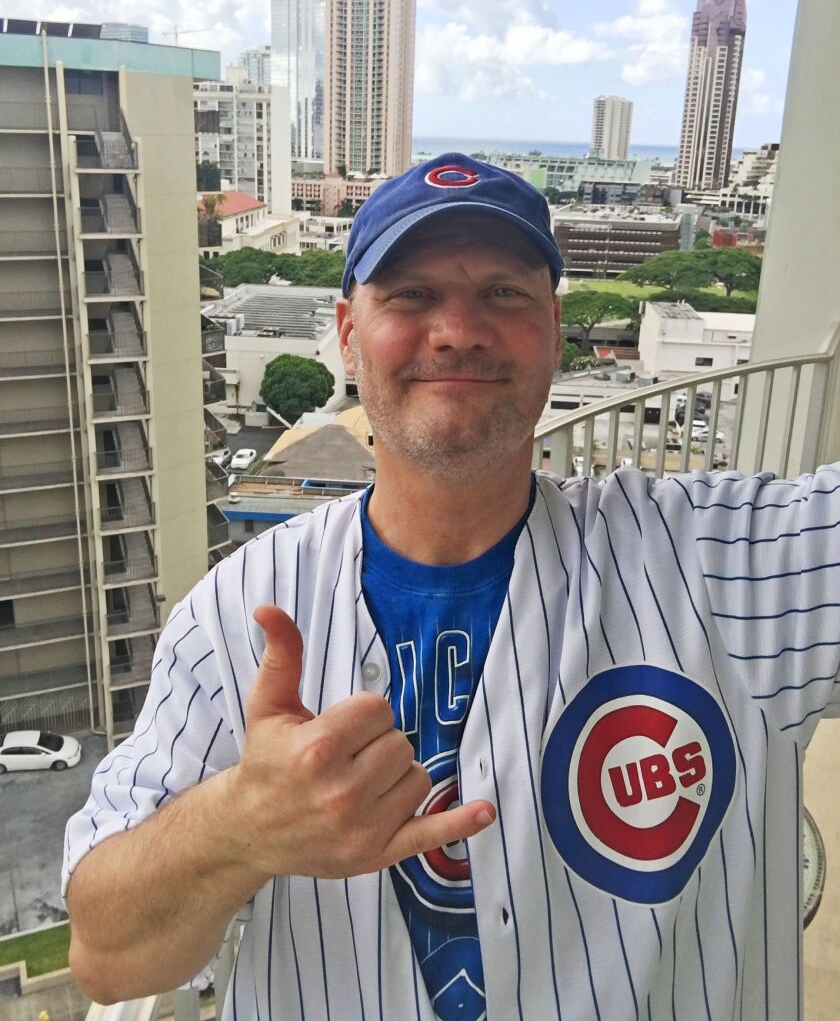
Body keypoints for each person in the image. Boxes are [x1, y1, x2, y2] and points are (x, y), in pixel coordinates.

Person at [64, 153, 840, 1021]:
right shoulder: (237, 615)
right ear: (348, 333)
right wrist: (239, 826)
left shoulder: (723, 559)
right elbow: (107, 958)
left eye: (503, 294)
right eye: (411, 295)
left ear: (554, 327)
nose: (459, 330)